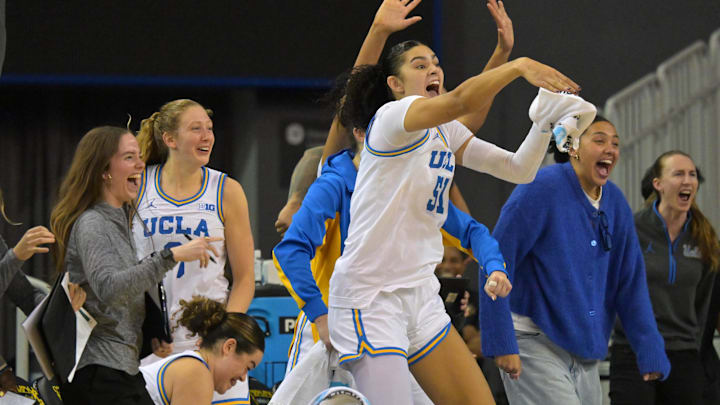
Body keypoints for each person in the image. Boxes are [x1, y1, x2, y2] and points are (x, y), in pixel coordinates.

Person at [325, 0, 586, 401]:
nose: (433, 69)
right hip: (370, 297)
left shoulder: (445, 132)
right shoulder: (394, 118)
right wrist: (516, 66)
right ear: (394, 84)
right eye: (419, 64)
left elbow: (519, 170)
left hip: (419, 293)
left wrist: (543, 122)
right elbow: (463, 101)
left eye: (435, 62)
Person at [481, 116, 672, 405]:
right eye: (599, 140)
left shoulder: (615, 202)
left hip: (584, 350)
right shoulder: (539, 188)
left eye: (615, 143)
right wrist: (500, 340)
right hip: (533, 341)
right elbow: (494, 260)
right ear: (573, 148)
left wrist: (649, 346)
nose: (610, 149)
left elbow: (629, 282)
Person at [49, 126, 219, 405]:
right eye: (129, 157)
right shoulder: (93, 223)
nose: (140, 164)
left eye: (139, 156)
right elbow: (110, 288)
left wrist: (149, 332)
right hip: (98, 375)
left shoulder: (120, 221)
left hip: (121, 371)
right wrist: (170, 256)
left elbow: (117, 296)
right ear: (105, 170)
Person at [134, 98, 255, 402]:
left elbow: (244, 280)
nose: (207, 136)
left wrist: (222, 333)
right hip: (155, 345)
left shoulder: (227, 190)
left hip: (210, 343)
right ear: (170, 139)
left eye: (210, 129)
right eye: (196, 129)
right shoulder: (137, 186)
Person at [609, 151, 719, 404]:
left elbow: (705, 301)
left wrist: (693, 342)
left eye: (692, 175)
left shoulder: (703, 238)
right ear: (657, 184)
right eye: (678, 174)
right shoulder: (631, 229)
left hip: (683, 353)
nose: (688, 180)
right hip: (633, 350)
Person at [140, 296, 264, 405]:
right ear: (229, 347)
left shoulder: (193, 366)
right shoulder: (196, 374)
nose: (243, 378)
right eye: (247, 367)